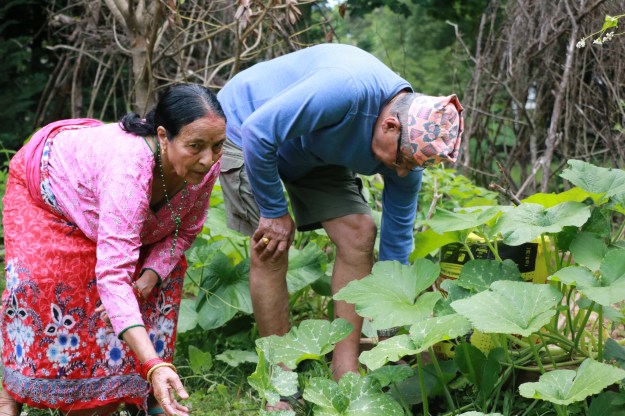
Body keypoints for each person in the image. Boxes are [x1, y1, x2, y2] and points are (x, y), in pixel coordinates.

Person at [217, 43, 463, 410]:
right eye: (401, 162)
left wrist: (392, 332)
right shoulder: (345, 89)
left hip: (311, 149)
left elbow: (395, 255)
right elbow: (258, 133)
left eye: (411, 167)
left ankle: (344, 369)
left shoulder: (406, 159)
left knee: (360, 234)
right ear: (389, 124)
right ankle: (280, 379)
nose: (400, 174)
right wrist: (274, 211)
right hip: (249, 127)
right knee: (272, 245)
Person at [0, 84, 226, 416]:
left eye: (217, 146)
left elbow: (185, 228)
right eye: (195, 146)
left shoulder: (203, 165)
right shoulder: (128, 172)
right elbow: (113, 276)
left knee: (163, 278)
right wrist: (152, 362)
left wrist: (150, 276)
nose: (208, 159)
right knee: (51, 283)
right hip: (50, 190)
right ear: (163, 136)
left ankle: (141, 394)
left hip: (102, 195)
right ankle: (12, 392)